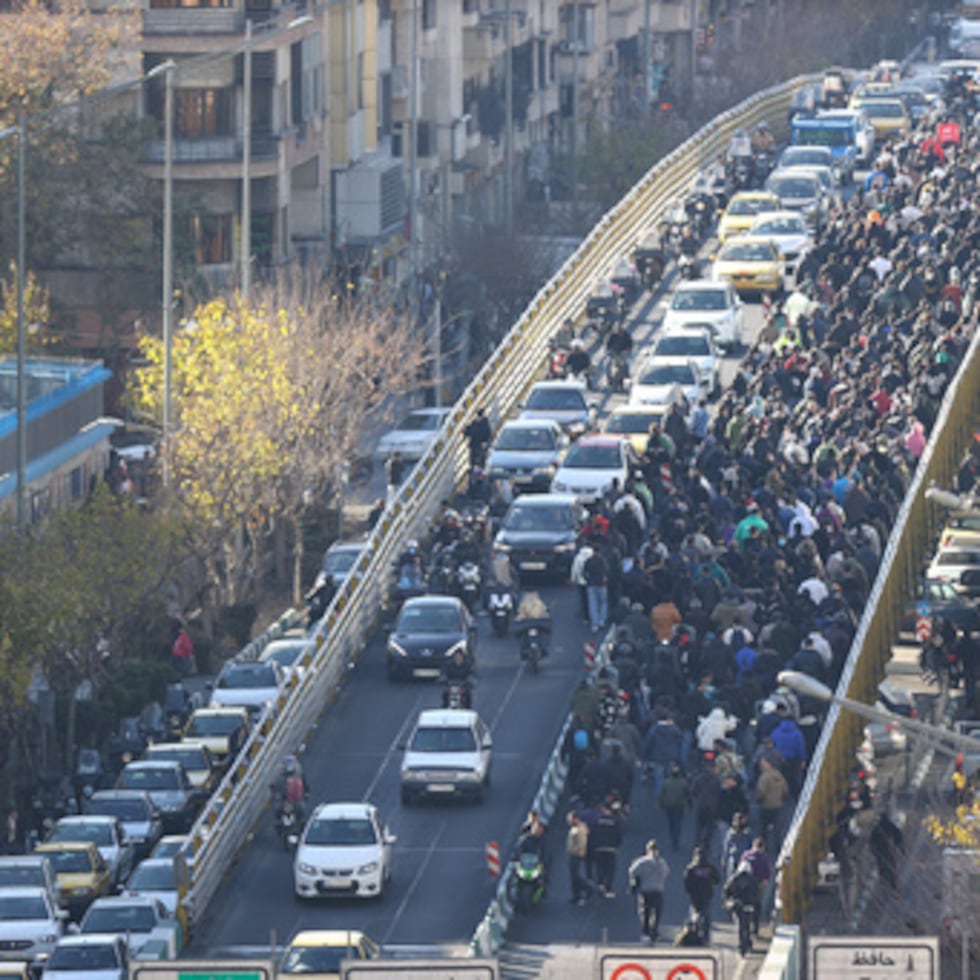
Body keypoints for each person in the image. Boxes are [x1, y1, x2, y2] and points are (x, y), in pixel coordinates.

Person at [628, 838, 670, 940]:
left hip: (645, 890)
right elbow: (666, 873)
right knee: (657, 912)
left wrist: (638, 881)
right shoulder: (662, 862)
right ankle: (654, 931)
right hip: (658, 890)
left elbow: (632, 871)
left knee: (645, 912)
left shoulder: (642, 861)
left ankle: (646, 933)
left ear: (647, 849)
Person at [683, 845, 721, 943]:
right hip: (707, 895)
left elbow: (687, 883)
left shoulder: (691, 868)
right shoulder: (710, 868)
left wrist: (691, 891)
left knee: (694, 915)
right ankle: (706, 936)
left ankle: (693, 934)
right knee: (707, 916)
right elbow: (717, 879)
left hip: (695, 896)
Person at [724, 859, 758, 956]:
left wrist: (728, 900)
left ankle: (741, 944)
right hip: (748, 905)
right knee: (747, 924)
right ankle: (747, 942)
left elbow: (727, 890)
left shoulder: (734, 879)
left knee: (740, 925)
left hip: (737, 905)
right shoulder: (752, 879)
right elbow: (756, 893)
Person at [740, 836, 773, 936]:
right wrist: (765, 880)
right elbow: (768, 872)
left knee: (744, 905)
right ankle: (755, 928)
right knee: (757, 906)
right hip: (758, 884)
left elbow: (741, 868)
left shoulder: (746, 855)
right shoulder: (764, 858)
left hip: (746, 884)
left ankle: (745, 926)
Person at [659, 762, 691, 853]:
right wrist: (689, 805)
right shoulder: (683, 783)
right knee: (678, 823)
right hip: (679, 805)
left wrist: (661, 805)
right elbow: (687, 795)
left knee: (671, 823)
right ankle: (676, 839)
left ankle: (673, 838)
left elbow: (662, 795)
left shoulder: (666, 783)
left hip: (669, 805)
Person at [566, 811, 590, 905]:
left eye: (570, 819)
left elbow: (581, 843)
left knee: (576, 877)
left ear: (576, 819)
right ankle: (576, 895)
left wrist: (574, 851)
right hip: (573, 855)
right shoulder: (575, 828)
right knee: (573, 877)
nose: (569, 821)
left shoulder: (580, 829)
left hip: (577, 855)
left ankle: (588, 888)